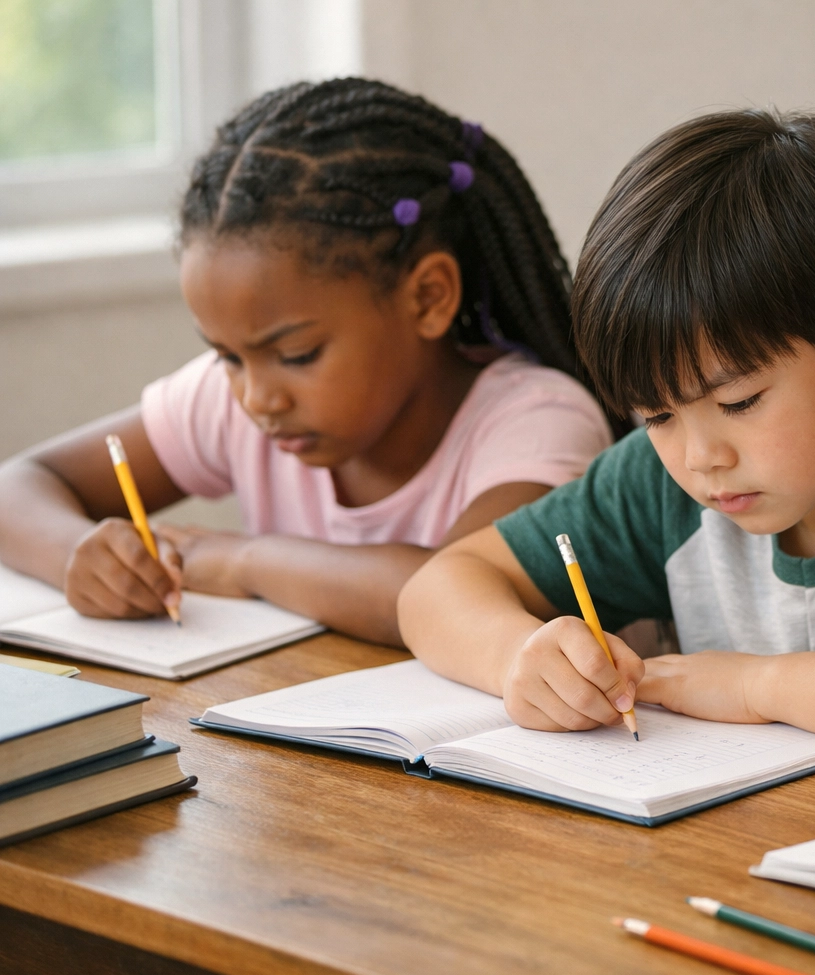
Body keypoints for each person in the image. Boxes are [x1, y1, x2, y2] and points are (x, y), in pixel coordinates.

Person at [398, 109, 815, 753]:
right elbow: (440, 588)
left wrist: (756, 685)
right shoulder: (664, 483)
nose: (701, 458)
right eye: (658, 414)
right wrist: (519, 656)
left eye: (740, 401)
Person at [0, 78, 615, 647]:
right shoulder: (238, 399)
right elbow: (17, 487)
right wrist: (77, 554)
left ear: (427, 296)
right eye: (226, 357)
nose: (256, 398)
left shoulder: (536, 420)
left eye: (297, 354)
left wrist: (246, 561)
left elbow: (455, 596)